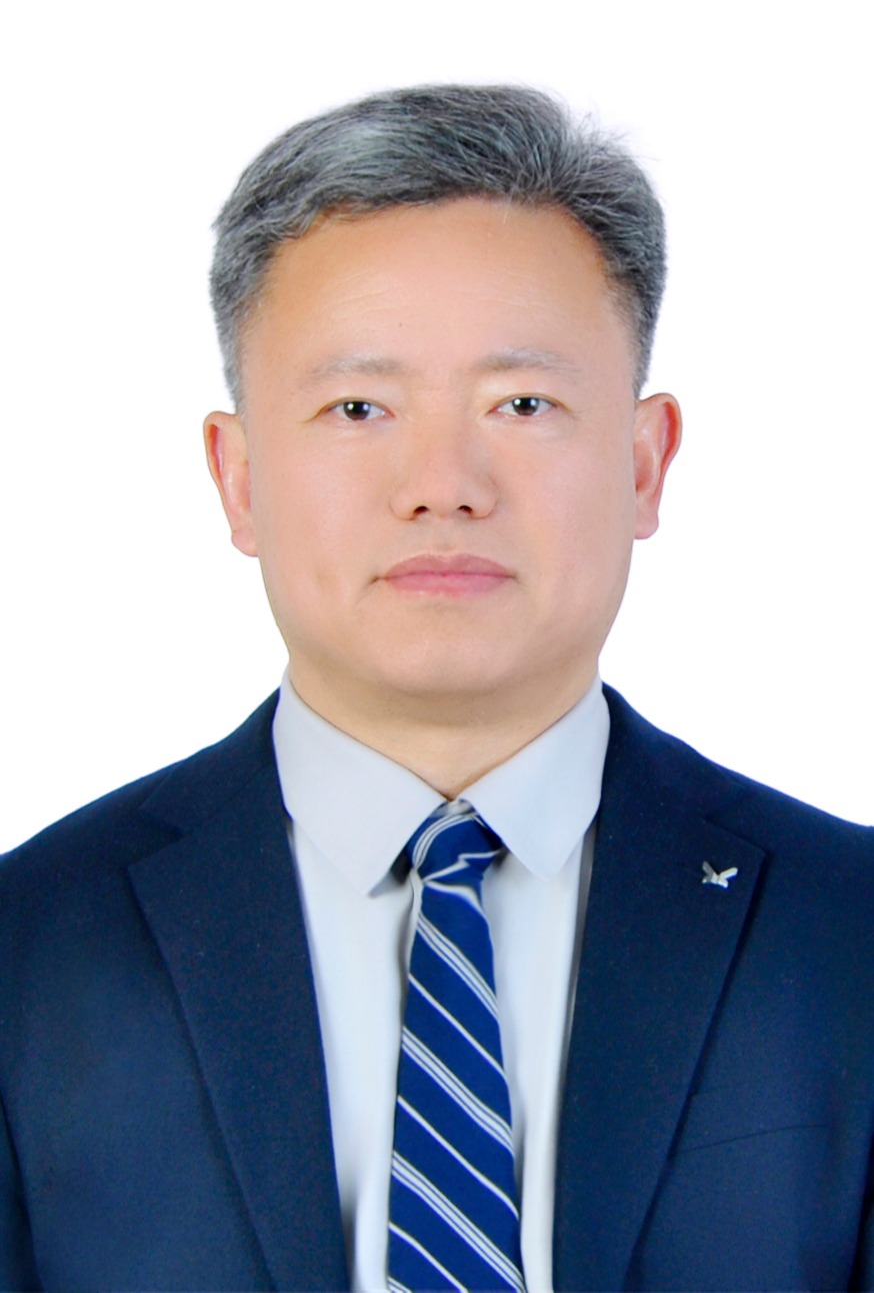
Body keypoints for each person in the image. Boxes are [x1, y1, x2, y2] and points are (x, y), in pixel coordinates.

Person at [1, 84, 872, 1293]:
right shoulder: (32, 946)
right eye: (358, 407)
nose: (444, 484)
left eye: (523, 404)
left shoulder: (845, 931)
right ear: (238, 479)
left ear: (642, 464)